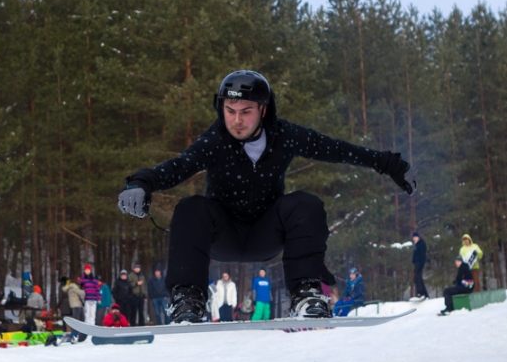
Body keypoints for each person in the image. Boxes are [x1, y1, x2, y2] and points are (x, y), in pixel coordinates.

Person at [117, 70, 416, 322]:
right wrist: (142, 182)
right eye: (230, 112)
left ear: (262, 109)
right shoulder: (215, 141)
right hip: (224, 233)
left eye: (245, 112)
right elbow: (179, 166)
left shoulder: (284, 136)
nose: (236, 120)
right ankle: (187, 300)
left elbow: (337, 149)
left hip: (267, 233)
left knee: (305, 203)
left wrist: (390, 164)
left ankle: (307, 294)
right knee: (190, 207)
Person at [410, 232, 429, 301]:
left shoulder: (421, 244)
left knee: (417, 278)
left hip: (419, 263)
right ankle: (424, 293)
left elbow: (422, 255)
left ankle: (421, 293)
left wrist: (421, 265)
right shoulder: (417, 244)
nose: (414, 239)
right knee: (418, 278)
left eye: (415, 237)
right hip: (416, 263)